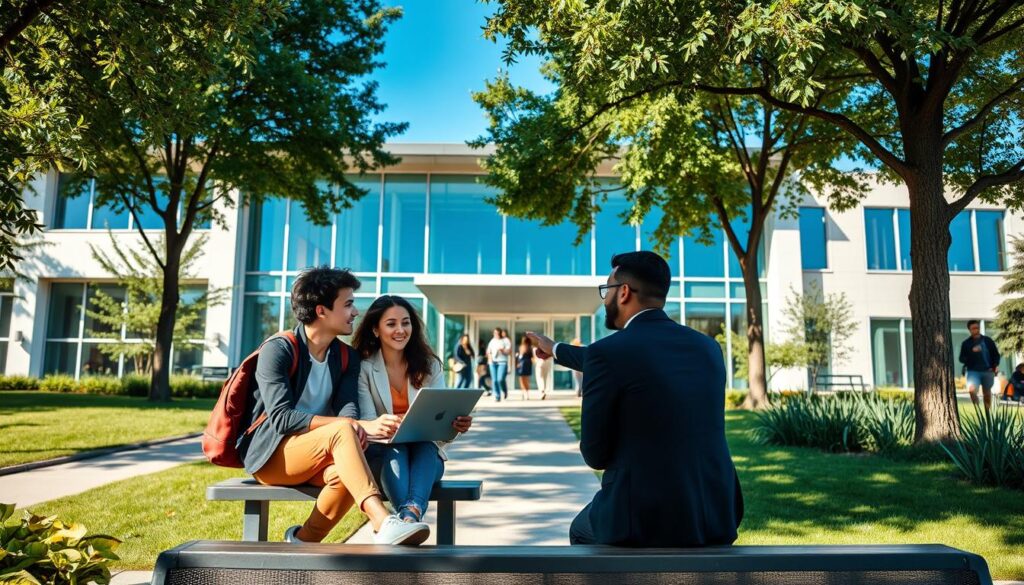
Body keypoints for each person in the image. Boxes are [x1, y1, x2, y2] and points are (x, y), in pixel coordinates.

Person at [527, 251, 743, 547]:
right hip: (715, 510)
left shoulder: (611, 353)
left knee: (581, 529)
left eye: (606, 290)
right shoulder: (708, 348)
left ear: (623, 292)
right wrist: (555, 349)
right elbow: (621, 357)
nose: (604, 301)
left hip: (644, 516)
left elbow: (596, 455)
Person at [237, 266, 430, 545]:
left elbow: (347, 408)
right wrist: (354, 425)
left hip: (318, 451)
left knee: (348, 473)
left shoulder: (345, 356)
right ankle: (383, 522)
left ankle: (303, 542)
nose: (355, 312)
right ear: (321, 311)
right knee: (343, 430)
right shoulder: (278, 349)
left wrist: (353, 424)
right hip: (272, 455)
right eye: (348, 304)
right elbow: (281, 418)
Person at [353, 295, 474, 529]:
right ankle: (411, 516)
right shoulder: (364, 368)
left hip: (425, 458)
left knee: (427, 446)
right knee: (396, 449)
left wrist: (454, 425)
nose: (401, 330)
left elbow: (440, 431)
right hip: (384, 455)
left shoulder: (430, 365)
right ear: (376, 330)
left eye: (406, 322)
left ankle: (407, 519)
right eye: (391, 324)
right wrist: (386, 425)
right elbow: (368, 423)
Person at [959, 319, 1000, 411]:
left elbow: (996, 354)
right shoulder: (966, 343)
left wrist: (996, 365)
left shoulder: (988, 341)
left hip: (988, 370)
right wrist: (971, 351)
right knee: (972, 390)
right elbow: (961, 358)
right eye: (973, 328)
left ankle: (987, 412)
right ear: (969, 330)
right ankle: (978, 410)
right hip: (973, 371)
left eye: (977, 328)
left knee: (987, 393)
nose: (976, 330)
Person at [485, 327, 510, 401]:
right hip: (492, 362)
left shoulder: (505, 340)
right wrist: (490, 358)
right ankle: (497, 396)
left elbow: (508, 352)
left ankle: (504, 390)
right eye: (495, 333)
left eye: (497, 333)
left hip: (502, 362)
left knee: (500, 379)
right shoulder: (492, 341)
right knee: (494, 380)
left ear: (500, 333)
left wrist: (502, 350)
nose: (496, 334)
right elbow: (488, 351)